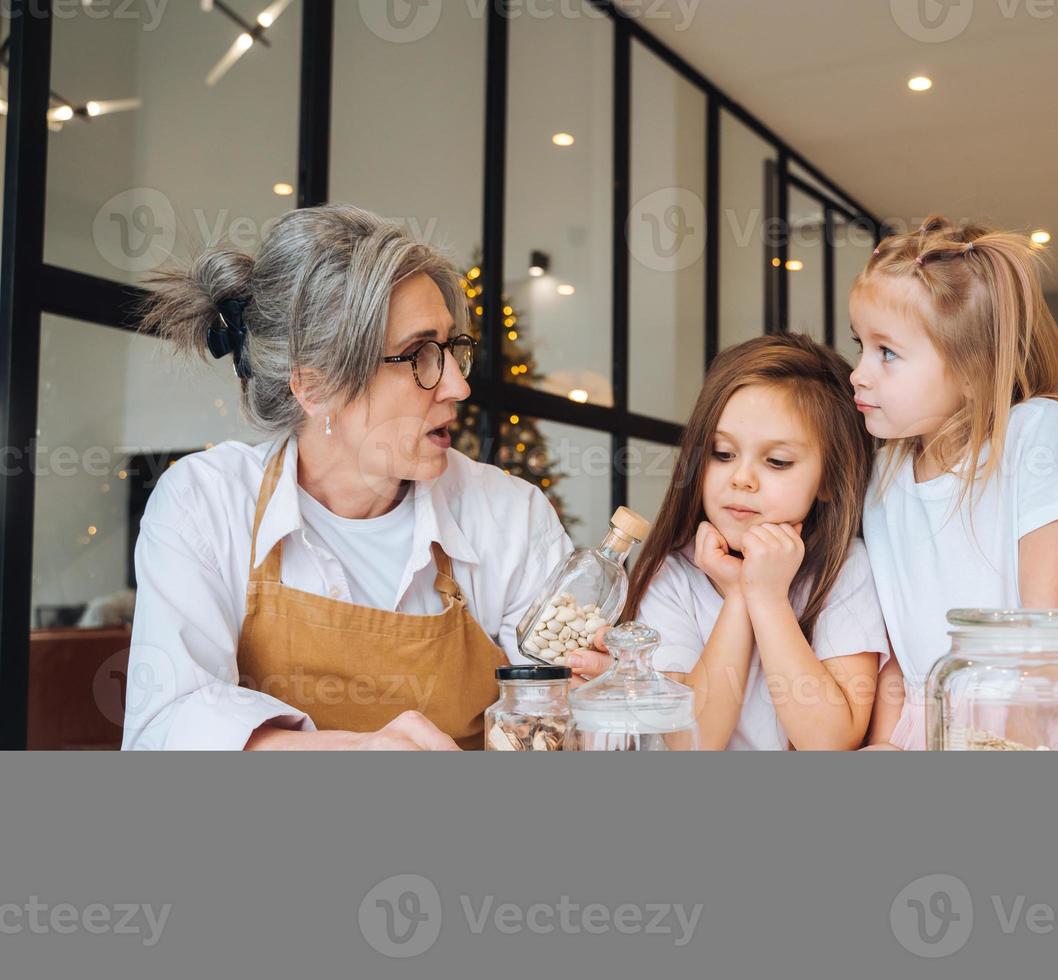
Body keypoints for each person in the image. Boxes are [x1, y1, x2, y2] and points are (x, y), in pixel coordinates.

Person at [124, 204, 571, 750]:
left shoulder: (508, 515)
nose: (457, 385)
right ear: (315, 388)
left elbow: (556, 715)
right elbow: (166, 728)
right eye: (418, 355)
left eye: (452, 349)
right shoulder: (206, 504)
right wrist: (361, 751)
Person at [849, 217, 1058, 750]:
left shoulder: (1033, 434)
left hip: (1031, 719)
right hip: (927, 725)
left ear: (972, 367)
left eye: (887, 352)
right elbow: (895, 654)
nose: (859, 372)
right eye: (860, 344)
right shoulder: (883, 474)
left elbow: (1048, 644)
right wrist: (885, 744)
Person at [567, 335, 888, 750]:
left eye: (777, 462)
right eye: (722, 454)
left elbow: (830, 741)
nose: (741, 478)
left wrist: (768, 597)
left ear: (828, 480)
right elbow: (691, 742)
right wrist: (740, 594)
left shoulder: (846, 570)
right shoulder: (675, 573)